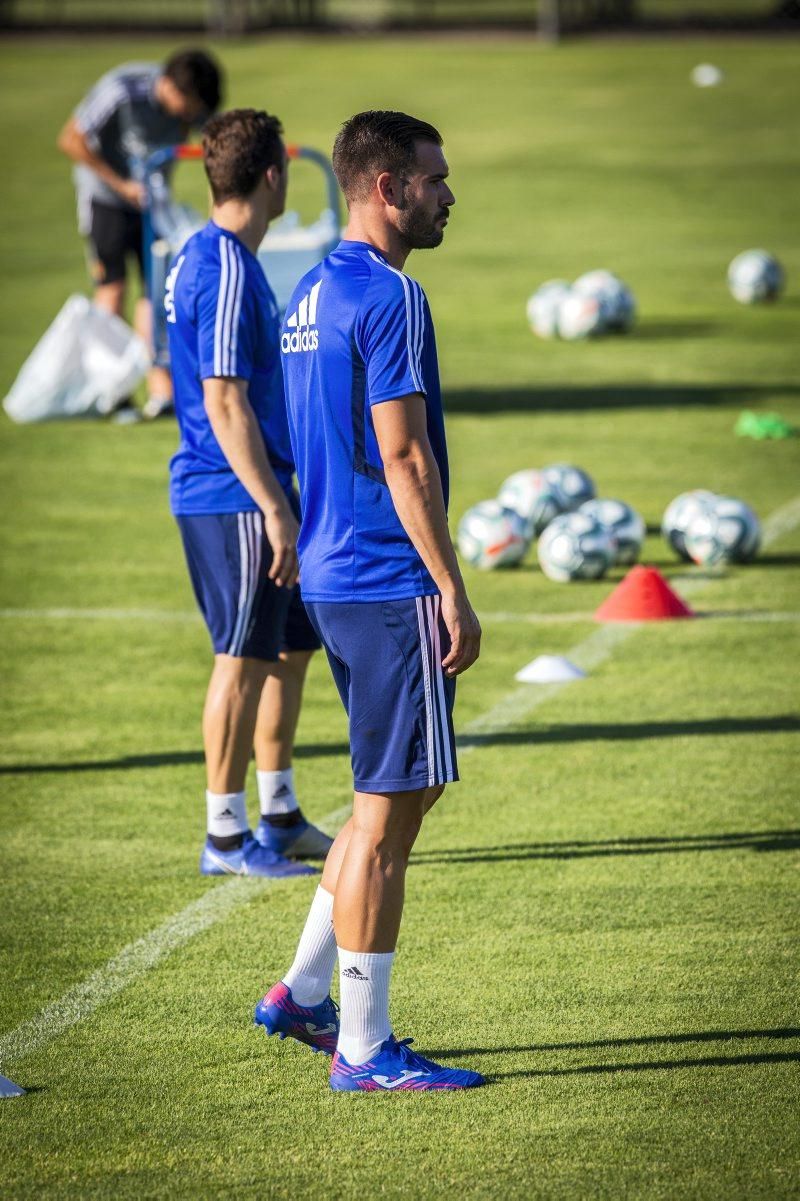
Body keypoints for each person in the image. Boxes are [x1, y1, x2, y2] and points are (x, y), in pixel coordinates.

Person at [254, 110, 485, 1089]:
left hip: (333, 577)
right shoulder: (392, 294)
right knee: (389, 827)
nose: (446, 194)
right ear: (386, 187)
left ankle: (302, 993)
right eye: (433, 179)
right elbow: (400, 452)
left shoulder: (307, 288)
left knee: (383, 801)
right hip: (389, 584)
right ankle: (363, 1047)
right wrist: (449, 584)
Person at [165, 107, 333, 877]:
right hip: (233, 495)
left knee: (288, 650)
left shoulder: (211, 255)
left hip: (263, 488)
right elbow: (224, 401)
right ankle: (225, 838)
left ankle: (279, 813)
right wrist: (272, 507)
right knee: (239, 657)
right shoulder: (226, 265)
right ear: (274, 176)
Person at [58, 49, 223, 422]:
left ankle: (160, 390)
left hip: (152, 202)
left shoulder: (192, 108)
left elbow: (216, 142)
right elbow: (70, 139)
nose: (189, 115)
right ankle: (112, 390)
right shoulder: (121, 90)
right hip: (105, 198)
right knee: (112, 288)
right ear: (170, 85)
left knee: (156, 288)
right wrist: (121, 185)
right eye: (188, 106)